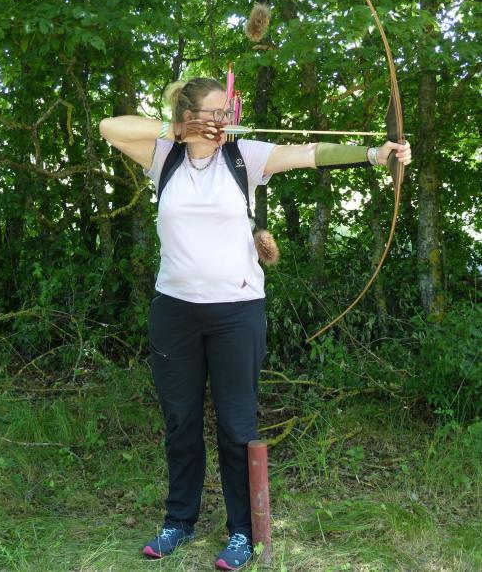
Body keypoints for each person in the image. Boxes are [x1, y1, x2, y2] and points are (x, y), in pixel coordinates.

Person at [99, 77, 411, 570]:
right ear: (189, 115)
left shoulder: (243, 155)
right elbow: (109, 127)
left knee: (237, 425)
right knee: (180, 422)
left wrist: (376, 155)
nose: (225, 118)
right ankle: (179, 521)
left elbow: (308, 154)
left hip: (236, 313)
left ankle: (242, 531)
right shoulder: (164, 156)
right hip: (175, 311)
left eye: (227, 111)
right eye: (215, 111)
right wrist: (175, 131)